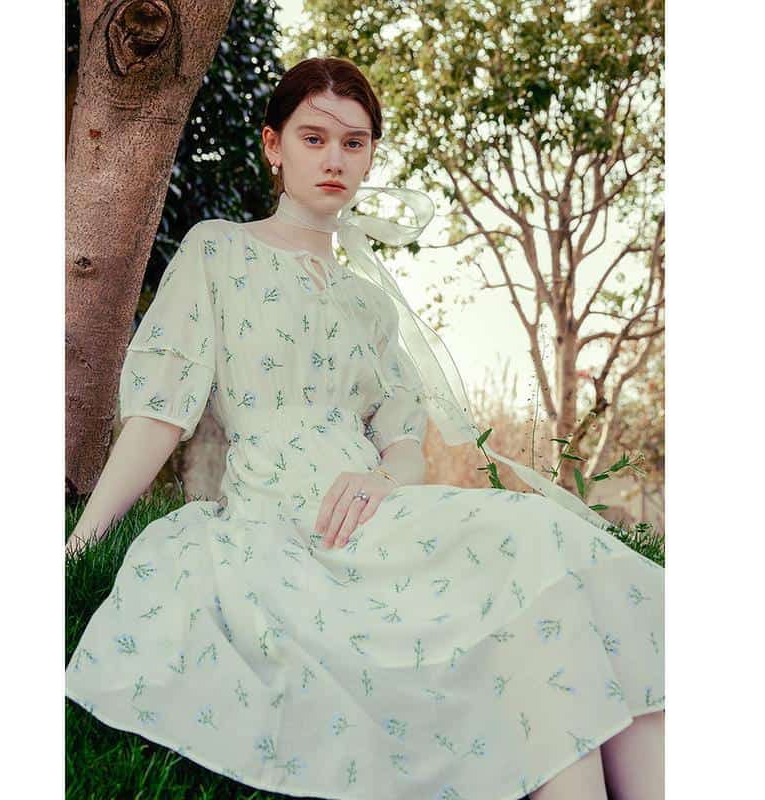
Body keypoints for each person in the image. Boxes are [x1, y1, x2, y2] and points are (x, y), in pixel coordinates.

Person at [65, 57, 664, 800]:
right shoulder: (217, 250)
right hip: (285, 515)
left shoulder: (368, 302)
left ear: (371, 156)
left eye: (355, 143)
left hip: (385, 506)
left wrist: (382, 479)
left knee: (557, 563)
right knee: (542, 564)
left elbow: (405, 442)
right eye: (314, 138)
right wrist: (79, 543)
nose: (335, 158)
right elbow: (161, 412)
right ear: (273, 145)